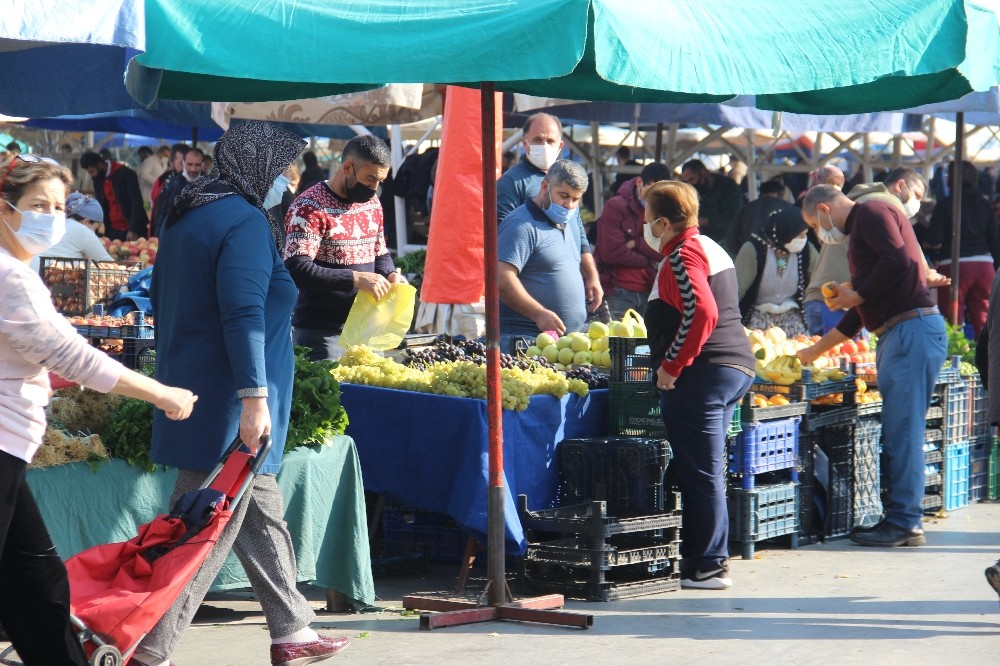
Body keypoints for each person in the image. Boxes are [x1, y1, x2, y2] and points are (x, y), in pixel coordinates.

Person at [135, 121, 349, 666]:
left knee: (261, 514)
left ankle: (293, 630)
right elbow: (244, 313)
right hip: (232, 407)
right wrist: (255, 397)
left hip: (206, 393)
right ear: (258, 168)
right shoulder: (246, 222)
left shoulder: (187, 212)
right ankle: (147, 647)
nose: (285, 182)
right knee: (202, 534)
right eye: (280, 170)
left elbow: (163, 296)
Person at [0, 153, 197, 666]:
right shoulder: (11, 279)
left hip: (10, 445)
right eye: (37, 205)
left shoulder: (15, 271)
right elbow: (74, 357)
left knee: (36, 584)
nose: (51, 216)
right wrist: (161, 393)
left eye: (60, 206)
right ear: (5, 209)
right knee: (32, 583)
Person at [797, 185, 947, 548]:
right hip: (904, 333)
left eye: (815, 225)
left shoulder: (871, 213)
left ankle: (904, 522)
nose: (821, 233)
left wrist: (856, 292)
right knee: (900, 431)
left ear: (823, 209)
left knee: (903, 433)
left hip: (909, 333)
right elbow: (859, 312)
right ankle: (902, 519)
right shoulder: (870, 220)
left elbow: (897, 262)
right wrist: (816, 349)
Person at [642, 180, 754, 590]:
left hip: (703, 376)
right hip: (730, 371)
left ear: (664, 221)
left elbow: (702, 312)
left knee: (702, 472)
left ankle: (708, 564)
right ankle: (706, 559)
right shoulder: (707, 246)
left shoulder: (682, 255)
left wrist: (672, 365)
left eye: (647, 219)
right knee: (707, 470)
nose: (645, 226)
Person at [283, 135, 402, 362]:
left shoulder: (373, 204)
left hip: (368, 328)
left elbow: (380, 252)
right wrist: (355, 278)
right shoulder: (309, 206)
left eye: (380, 182)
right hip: (322, 334)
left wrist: (390, 273)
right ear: (347, 167)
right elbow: (297, 269)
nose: (374, 188)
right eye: (370, 179)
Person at [803, 167, 947, 336]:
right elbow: (903, 251)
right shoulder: (882, 205)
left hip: (833, 296)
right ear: (900, 186)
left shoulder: (861, 206)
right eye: (916, 195)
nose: (917, 204)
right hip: (837, 299)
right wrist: (926, 271)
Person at [497, 160, 602, 347]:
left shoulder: (570, 220)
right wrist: (538, 313)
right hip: (525, 343)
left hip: (566, 346)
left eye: (575, 199)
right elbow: (501, 279)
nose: (569, 205)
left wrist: (592, 277)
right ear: (545, 187)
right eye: (563, 195)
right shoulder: (520, 225)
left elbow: (582, 248)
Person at [926, 160, 1000, 337]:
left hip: (953, 265)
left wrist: (931, 249)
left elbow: (934, 239)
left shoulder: (944, 204)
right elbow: (995, 241)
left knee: (953, 319)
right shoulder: (984, 205)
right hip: (984, 266)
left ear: (951, 179)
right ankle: (985, 358)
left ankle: (957, 357)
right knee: (984, 319)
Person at [593, 162, 671, 320]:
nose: (655, 199)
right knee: (617, 343)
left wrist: (636, 243)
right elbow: (611, 253)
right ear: (639, 183)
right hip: (617, 291)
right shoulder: (616, 206)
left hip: (648, 290)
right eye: (652, 192)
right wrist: (647, 259)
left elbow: (665, 251)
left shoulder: (662, 209)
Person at [735, 207, 818, 336]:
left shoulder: (807, 251)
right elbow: (736, 291)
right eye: (800, 235)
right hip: (758, 317)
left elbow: (817, 282)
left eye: (806, 234)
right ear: (787, 232)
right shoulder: (753, 249)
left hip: (793, 317)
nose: (804, 239)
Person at [28, 192, 113, 271]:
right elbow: (109, 264)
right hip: (53, 279)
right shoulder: (83, 231)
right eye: (95, 228)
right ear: (86, 221)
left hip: (34, 272)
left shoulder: (58, 223)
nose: (94, 233)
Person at [80, 150, 148, 242]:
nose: (91, 176)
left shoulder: (126, 173)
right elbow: (100, 203)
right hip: (112, 230)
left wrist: (133, 229)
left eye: (92, 171)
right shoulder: (98, 179)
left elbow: (137, 202)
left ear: (100, 166)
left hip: (132, 230)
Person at [679, 159, 744, 251]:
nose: (690, 185)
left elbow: (734, 219)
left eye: (692, 179)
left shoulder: (729, 187)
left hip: (729, 243)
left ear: (704, 172)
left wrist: (704, 221)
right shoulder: (693, 192)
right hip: (702, 244)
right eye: (686, 182)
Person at [724, 179, 790, 253]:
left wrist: (742, 252)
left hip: (750, 252)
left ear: (761, 193)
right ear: (781, 193)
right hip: (779, 256)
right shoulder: (788, 208)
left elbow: (731, 238)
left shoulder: (746, 208)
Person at [150, 143, 190, 236]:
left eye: (187, 162)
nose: (186, 167)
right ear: (171, 162)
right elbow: (155, 206)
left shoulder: (198, 181)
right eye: (181, 163)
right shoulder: (162, 181)